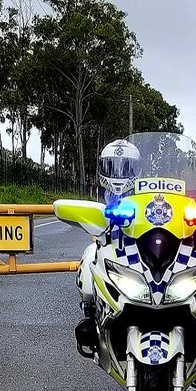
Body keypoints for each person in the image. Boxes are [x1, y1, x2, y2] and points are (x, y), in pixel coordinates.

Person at [76, 140, 141, 355]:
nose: (118, 172)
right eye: (111, 166)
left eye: (126, 166)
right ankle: (92, 312)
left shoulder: (144, 195)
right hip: (110, 247)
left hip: (140, 250)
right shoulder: (101, 196)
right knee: (89, 256)